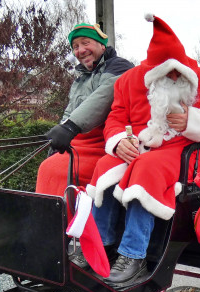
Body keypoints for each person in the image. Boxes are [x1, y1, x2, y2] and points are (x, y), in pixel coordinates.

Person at [86, 14, 200, 288]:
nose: (175, 77)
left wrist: (193, 120)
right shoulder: (129, 81)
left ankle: (134, 255)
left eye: (178, 72)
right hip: (138, 147)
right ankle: (100, 243)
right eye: (167, 74)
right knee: (104, 165)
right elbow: (115, 118)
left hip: (184, 154)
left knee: (148, 168)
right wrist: (119, 141)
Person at [35, 23, 134, 196]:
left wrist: (71, 127)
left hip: (105, 144)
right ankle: (51, 219)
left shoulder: (119, 67)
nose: (80, 50)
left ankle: (70, 220)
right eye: (75, 47)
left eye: (85, 43)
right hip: (80, 144)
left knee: (56, 170)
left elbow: (103, 97)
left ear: (101, 45)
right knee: (47, 167)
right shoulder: (80, 80)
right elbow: (69, 111)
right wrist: (59, 134)